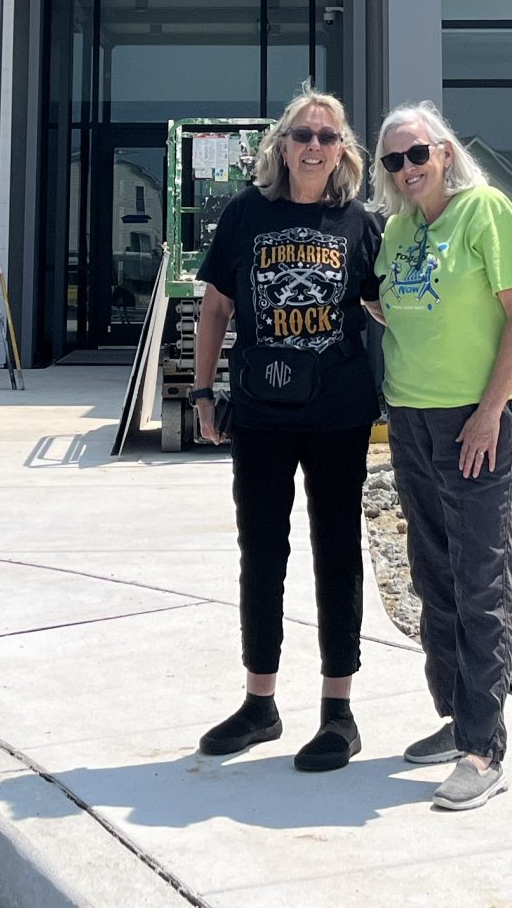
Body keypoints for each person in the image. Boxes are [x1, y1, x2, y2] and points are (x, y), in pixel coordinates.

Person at [190, 88, 385, 772]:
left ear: (342, 152)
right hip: (262, 411)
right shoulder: (245, 213)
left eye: (326, 137)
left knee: (337, 550)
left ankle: (338, 711)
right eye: (301, 134)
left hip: (339, 413)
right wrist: (201, 390)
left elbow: (393, 308)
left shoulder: (362, 224)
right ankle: (260, 703)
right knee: (261, 552)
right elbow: (214, 306)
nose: (312, 146)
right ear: (281, 145)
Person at [371, 101, 512, 812]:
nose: (407, 169)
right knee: (431, 573)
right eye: (393, 161)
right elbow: (387, 303)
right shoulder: (400, 229)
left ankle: (483, 746)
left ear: (444, 152)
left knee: (480, 579)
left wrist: (489, 411)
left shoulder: (486, 211)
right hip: (411, 419)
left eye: (417, 154)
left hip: (478, 421)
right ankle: (455, 716)